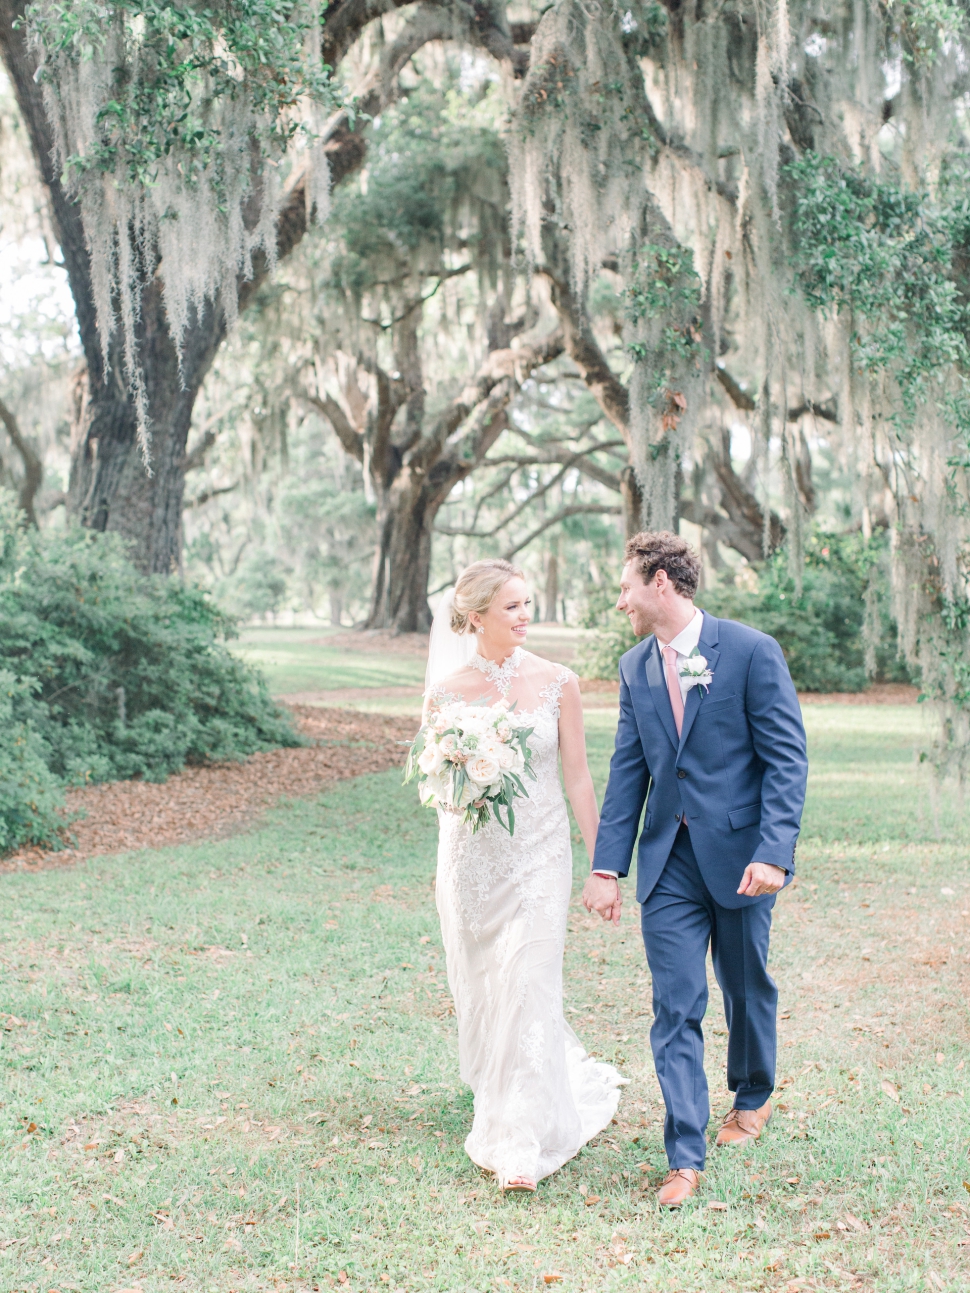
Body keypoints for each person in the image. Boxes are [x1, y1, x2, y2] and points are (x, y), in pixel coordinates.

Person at [583, 531, 807, 1208]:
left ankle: (753, 1095)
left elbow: (785, 759)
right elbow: (628, 773)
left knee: (745, 987)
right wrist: (605, 867)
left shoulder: (749, 651)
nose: (620, 599)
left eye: (626, 586)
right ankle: (685, 1153)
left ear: (661, 583)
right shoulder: (634, 667)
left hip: (742, 858)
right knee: (675, 1005)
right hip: (667, 865)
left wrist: (773, 851)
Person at [424, 558, 625, 1192]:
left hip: (540, 856)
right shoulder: (448, 692)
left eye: (527, 603)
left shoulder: (559, 682)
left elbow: (579, 779)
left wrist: (604, 866)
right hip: (471, 861)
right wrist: (465, 771)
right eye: (511, 606)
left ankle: (521, 1139)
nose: (525, 616)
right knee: (489, 985)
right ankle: (501, 1095)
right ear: (475, 615)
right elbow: (438, 784)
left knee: (531, 981)